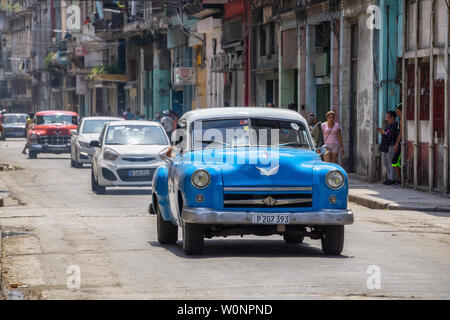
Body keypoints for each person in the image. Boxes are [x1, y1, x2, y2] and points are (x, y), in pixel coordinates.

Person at [377, 111, 399, 185]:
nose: (387, 119)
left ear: (392, 117)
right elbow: (386, 134)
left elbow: (390, 135)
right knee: (385, 162)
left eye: (388, 117)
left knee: (390, 162)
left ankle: (392, 178)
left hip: (390, 145)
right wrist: (382, 132)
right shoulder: (389, 125)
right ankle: (389, 177)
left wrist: (383, 132)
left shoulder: (394, 125)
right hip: (385, 146)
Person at [391, 104, 403, 186]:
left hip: (400, 144)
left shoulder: (402, 120)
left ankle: (400, 179)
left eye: (397, 109)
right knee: (397, 162)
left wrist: (397, 143)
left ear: (399, 110)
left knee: (395, 161)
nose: (396, 111)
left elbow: (401, 133)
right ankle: (399, 178)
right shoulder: (400, 120)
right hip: (399, 144)